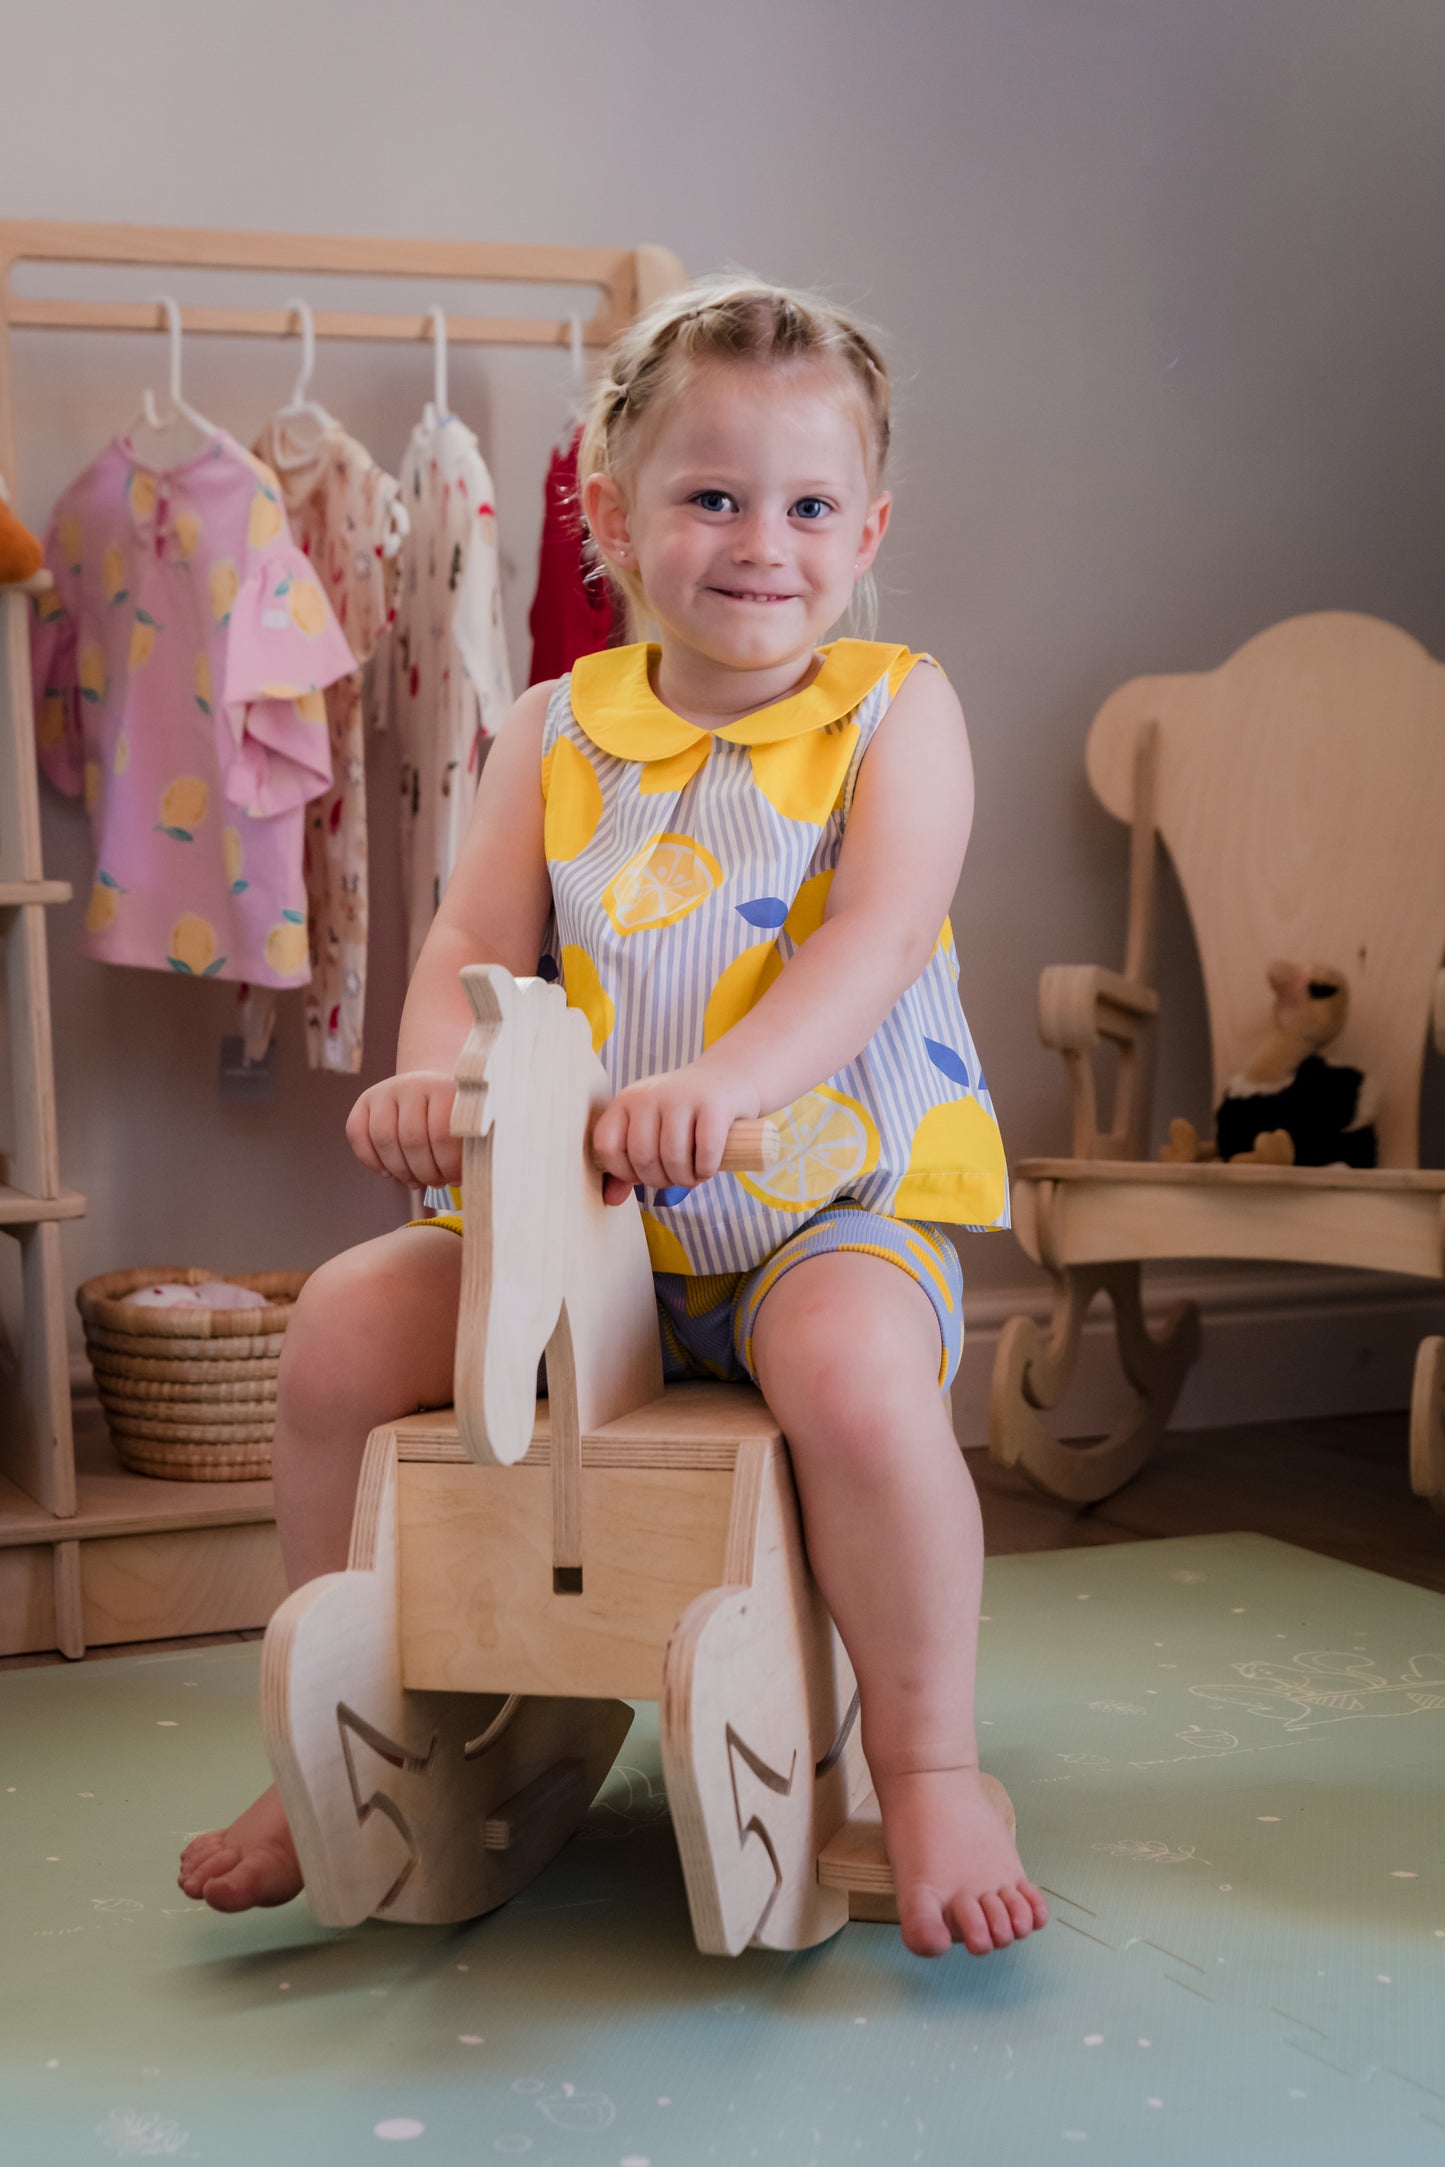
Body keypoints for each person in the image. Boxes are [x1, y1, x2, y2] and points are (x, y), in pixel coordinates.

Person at [179, 275, 1047, 1961]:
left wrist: (726, 1089)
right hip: (590, 1233)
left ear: (867, 524)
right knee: (342, 1333)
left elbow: (872, 943)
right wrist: (430, 1076)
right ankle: (323, 1744)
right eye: (710, 497)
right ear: (608, 511)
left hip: (824, 1213)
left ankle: (932, 1759)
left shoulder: (892, 710)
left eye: (805, 505)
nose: (759, 543)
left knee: (857, 1381)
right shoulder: (551, 730)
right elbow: (464, 950)